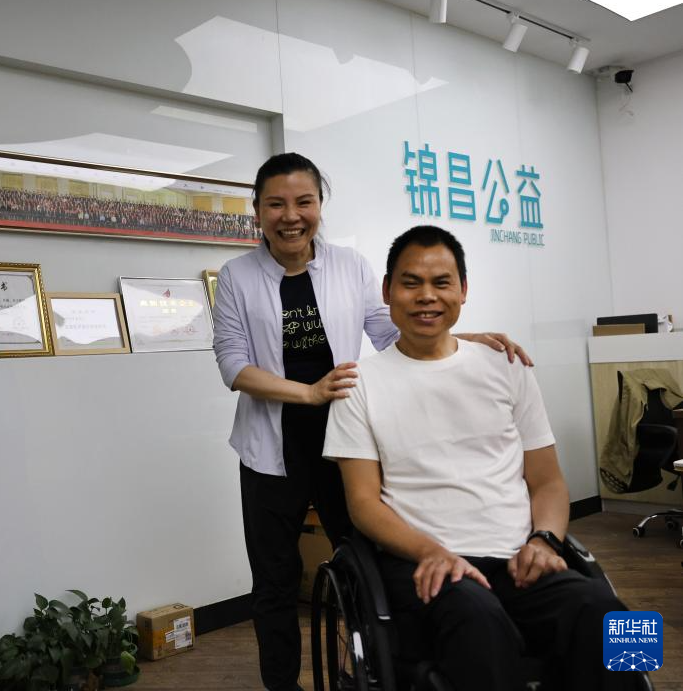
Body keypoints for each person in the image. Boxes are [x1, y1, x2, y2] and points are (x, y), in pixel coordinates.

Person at [211, 153, 530, 691]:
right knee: (274, 580)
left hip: (349, 442)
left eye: (304, 202)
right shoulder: (237, 276)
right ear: (258, 211)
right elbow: (232, 365)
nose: (291, 216)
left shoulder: (350, 266)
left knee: (364, 564)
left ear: (319, 205)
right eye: (276, 204)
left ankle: (370, 672)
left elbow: (388, 333)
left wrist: (460, 340)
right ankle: (281, 685)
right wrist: (308, 393)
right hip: (270, 449)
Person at [323, 225, 637, 691]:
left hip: (519, 558)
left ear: (464, 290)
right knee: (480, 623)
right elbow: (363, 504)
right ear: (387, 291)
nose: (427, 296)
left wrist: (545, 542)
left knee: (615, 617)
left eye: (441, 282)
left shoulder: (507, 365)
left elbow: (548, 482)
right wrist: (431, 552)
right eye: (411, 283)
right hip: (426, 566)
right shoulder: (358, 384)